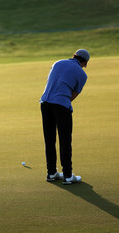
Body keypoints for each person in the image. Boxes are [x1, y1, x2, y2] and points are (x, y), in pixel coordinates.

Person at [40, 49, 89, 185]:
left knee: (49, 139)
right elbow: (72, 96)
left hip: (45, 103)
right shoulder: (82, 74)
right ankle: (67, 175)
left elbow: (51, 82)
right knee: (65, 140)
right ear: (84, 62)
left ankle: (51, 173)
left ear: (74, 56)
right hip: (61, 106)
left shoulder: (57, 63)